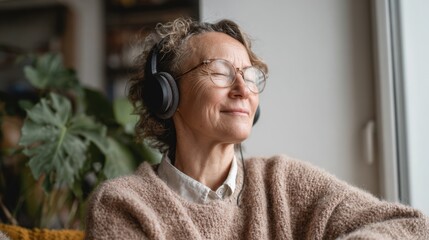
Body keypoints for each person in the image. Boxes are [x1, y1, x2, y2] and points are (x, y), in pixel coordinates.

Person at [85, 18, 429, 239]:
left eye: (250, 76)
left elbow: (412, 227)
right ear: (167, 94)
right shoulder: (123, 204)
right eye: (220, 71)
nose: (244, 89)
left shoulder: (283, 181)